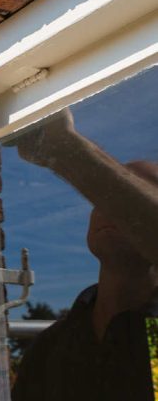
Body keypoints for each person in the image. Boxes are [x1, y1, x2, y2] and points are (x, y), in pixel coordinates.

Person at [10, 110, 158, 401]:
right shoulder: (50, 346)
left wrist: (63, 147)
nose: (109, 206)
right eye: (101, 196)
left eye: (122, 193)